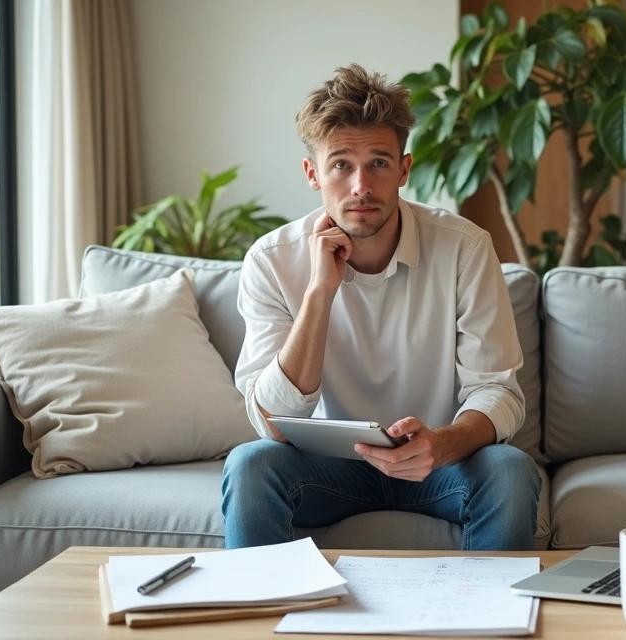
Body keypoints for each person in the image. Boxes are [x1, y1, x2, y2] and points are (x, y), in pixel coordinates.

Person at [220, 63, 540, 551]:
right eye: (341, 164)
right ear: (313, 173)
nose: (360, 187)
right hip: (329, 469)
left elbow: (498, 392)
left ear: (404, 170)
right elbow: (271, 421)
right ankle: (261, 623)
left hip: (440, 464)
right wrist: (319, 292)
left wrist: (440, 443)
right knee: (250, 464)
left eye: (379, 163)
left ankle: (486, 619)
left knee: (511, 470)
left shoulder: (465, 247)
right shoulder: (271, 260)